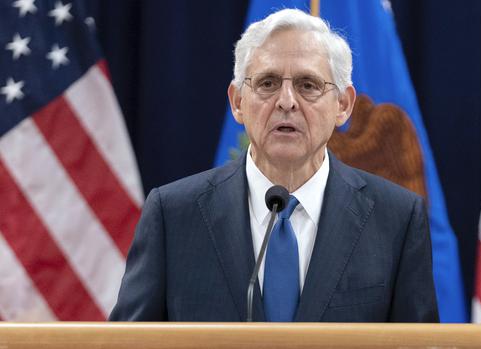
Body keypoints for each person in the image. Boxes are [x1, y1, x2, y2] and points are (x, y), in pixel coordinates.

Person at [110, 8, 439, 322]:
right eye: (267, 83)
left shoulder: (396, 220)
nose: (286, 101)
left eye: (307, 85)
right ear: (238, 102)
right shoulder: (173, 216)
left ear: (343, 105)